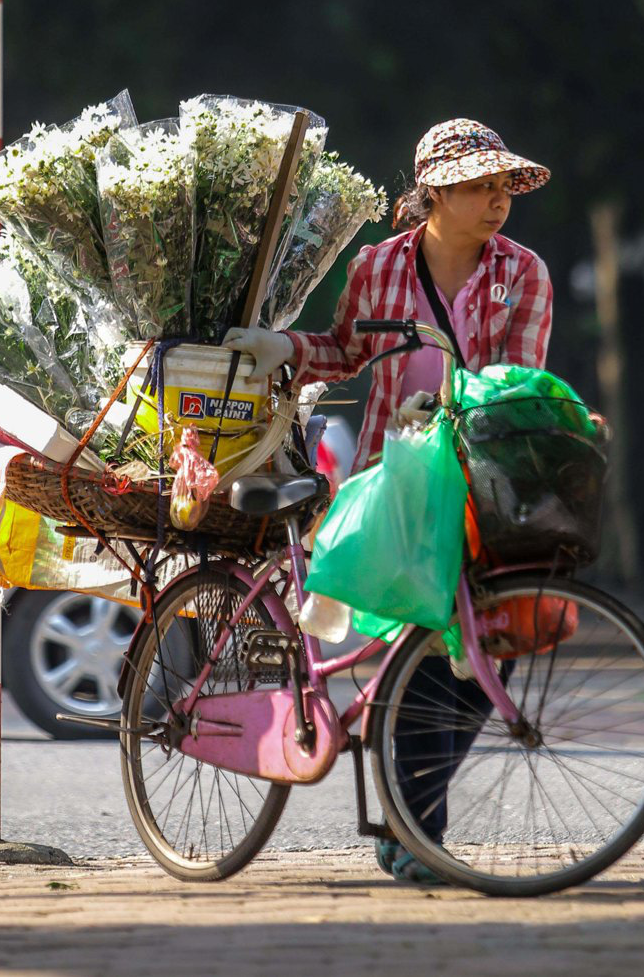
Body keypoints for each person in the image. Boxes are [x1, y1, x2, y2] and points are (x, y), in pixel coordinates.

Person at [225, 117, 553, 882]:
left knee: (481, 652)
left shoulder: (522, 273)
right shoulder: (377, 267)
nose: (496, 200)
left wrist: (452, 413)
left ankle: (409, 824)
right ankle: (416, 836)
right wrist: (287, 349)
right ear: (434, 191)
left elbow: (515, 380)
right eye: (478, 185)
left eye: (503, 185)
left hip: (481, 479)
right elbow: (345, 350)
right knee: (422, 656)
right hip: (391, 483)